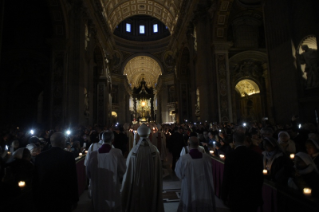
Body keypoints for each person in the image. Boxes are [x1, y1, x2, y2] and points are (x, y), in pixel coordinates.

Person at [121, 124, 164, 212]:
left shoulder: (133, 152)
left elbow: (128, 170)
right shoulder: (154, 151)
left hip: (137, 183)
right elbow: (159, 170)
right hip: (151, 182)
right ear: (149, 134)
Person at [33, 132, 79, 212]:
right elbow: (72, 178)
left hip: (45, 195)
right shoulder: (68, 156)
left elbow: (36, 178)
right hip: (63, 195)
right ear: (62, 141)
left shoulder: (40, 156)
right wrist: (75, 199)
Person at [222, 131, 263, 212]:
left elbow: (227, 176)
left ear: (233, 141)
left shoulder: (231, 155)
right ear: (244, 141)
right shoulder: (256, 155)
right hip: (252, 194)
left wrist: (224, 195)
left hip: (236, 193)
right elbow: (260, 177)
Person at [86, 131, 126, 212]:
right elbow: (122, 170)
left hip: (97, 186)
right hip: (112, 186)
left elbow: (88, 172)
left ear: (102, 139)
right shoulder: (117, 152)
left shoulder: (93, 154)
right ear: (112, 139)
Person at [175, 136, 216, 212]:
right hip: (203, 187)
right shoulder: (206, 157)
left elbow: (179, 173)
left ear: (189, 145)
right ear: (198, 145)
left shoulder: (184, 159)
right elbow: (210, 171)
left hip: (189, 186)